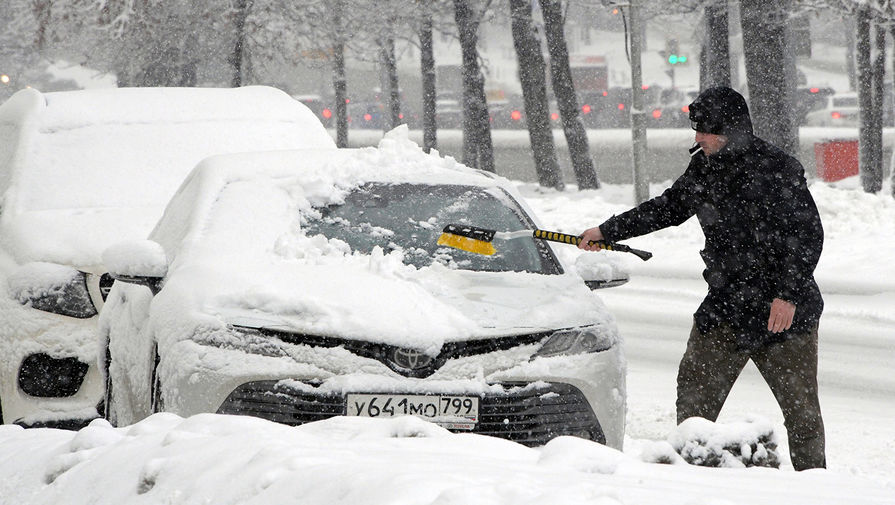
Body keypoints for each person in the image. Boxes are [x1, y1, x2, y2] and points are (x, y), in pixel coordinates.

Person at [579, 87, 826, 471]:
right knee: (694, 403)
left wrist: (788, 294)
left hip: (785, 313)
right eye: (697, 129)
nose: (698, 138)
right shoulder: (705, 168)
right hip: (727, 306)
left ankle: (817, 488)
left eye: (706, 131)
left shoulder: (778, 168)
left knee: (803, 415)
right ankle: (694, 481)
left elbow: (807, 236)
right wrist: (607, 231)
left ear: (733, 129)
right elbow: (668, 208)